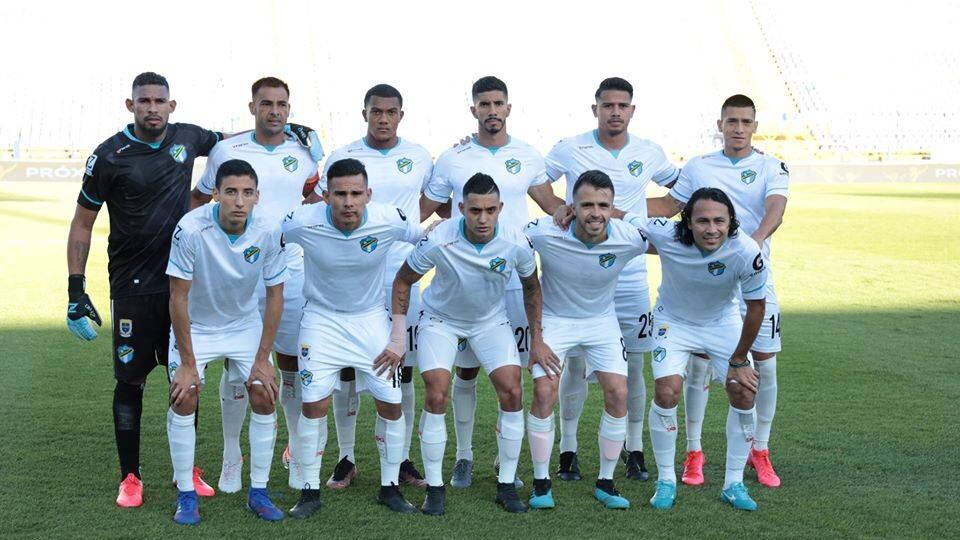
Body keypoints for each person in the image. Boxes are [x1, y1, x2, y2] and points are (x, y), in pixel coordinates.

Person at [66, 72, 222, 507]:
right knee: (130, 380)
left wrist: (288, 132)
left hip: (182, 283)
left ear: (172, 105)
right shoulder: (108, 156)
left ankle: (185, 470)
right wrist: (76, 289)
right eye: (144, 100)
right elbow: (82, 223)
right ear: (130, 105)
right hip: (132, 287)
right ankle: (130, 477)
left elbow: (236, 142)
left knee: (186, 377)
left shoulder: (189, 137)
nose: (152, 108)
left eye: (159, 101)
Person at [419, 76, 563, 488]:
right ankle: (463, 456)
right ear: (474, 110)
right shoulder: (453, 157)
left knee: (509, 376)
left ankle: (504, 462)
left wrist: (587, 214)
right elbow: (426, 209)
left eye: (499, 103)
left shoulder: (527, 154)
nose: (492, 110)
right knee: (463, 374)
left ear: (509, 108)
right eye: (485, 104)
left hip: (514, 281)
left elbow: (550, 204)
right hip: (465, 283)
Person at [647, 94, 788, 488]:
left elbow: (776, 208)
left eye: (746, 122)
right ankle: (694, 451)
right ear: (720, 125)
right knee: (697, 366)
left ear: (755, 126)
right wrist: (607, 207)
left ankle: (760, 449)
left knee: (762, 366)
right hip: (706, 279)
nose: (738, 128)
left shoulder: (771, 166)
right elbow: (669, 206)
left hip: (751, 273)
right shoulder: (699, 166)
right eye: (732, 121)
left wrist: (752, 244)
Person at [545, 77, 680, 482]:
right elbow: (534, 181)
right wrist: (559, 209)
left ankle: (633, 448)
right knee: (573, 362)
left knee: (633, 364)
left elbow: (680, 193)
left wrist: (631, 215)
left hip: (630, 273)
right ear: (596, 109)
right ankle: (568, 448)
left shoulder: (649, 151)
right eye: (608, 105)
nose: (615, 112)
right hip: (580, 272)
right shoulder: (570, 147)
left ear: (632, 110)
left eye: (623, 105)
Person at [190, 76, 320, 493]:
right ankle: (232, 456)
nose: (275, 111)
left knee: (291, 363)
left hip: (291, 269)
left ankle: (296, 452)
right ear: (252, 107)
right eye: (266, 104)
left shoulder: (305, 152)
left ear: (289, 108)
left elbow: (316, 200)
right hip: (238, 274)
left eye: (282, 104)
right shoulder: (227, 151)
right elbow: (198, 200)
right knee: (237, 365)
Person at [391, 173, 546, 515]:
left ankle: (506, 484)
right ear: (461, 208)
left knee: (512, 390)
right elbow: (402, 280)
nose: (483, 218)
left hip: (490, 321)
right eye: (475, 210)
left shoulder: (516, 242)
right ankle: (435, 489)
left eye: (490, 210)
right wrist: (398, 337)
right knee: (436, 393)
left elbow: (532, 287)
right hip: (440, 320)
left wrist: (537, 339)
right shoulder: (438, 239)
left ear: (500, 208)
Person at [281, 158, 425, 518]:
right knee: (313, 405)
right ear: (326, 196)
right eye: (340, 194)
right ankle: (309, 492)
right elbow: (266, 238)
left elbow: (427, 239)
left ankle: (390, 488)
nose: (348, 202)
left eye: (356, 194)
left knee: (391, 403)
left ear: (368, 194)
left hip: (371, 320)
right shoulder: (302, 221)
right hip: (321, 321)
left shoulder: (389, 219)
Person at [309, 84, 432, 489]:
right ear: (364, 114)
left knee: (401, 368)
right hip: (353, 277)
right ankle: (345, 458)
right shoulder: (343, 156)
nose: (383, 118)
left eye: (391, 112)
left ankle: (401, 458)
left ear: (401, 115)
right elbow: (319, 205)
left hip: (403, 275)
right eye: (376, 111)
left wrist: (409, 231)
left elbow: (436, 201)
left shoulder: (419, 156)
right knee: (345, 369)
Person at [166, 159, 287, 524]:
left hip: (243, 325)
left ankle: (259, 492)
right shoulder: (190, 229)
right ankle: (186, 495)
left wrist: (263, 359)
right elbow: (177, 297)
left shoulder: (268, 229)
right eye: (231, 192)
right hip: (197, 327)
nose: (239, 201)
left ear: (257, 196)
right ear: (216, 194)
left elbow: (275, 295)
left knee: (264, 393)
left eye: (247, 193)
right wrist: (188, 365)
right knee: (184, 396)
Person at [523, 171, 650, 510]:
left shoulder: (628, 237)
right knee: (544, 390)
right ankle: (541, 482)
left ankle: (606, 482)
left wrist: (625, 216)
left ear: (613, 208)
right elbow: (504, 239)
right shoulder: (545, 231)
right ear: (572, 206)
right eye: (587, 205)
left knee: (619, 392)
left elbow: (671, 240)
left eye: (603, 206)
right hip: (555, 320)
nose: (596, 213)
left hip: (601, 321)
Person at [637, 187, 767, 511]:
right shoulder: (665, 234)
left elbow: (756, 308)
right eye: (703, 221)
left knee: (744, 391)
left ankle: (733, 483)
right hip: (673, 322)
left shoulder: (746, 251)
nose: (711, 229)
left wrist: (739, 359)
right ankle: (666, 480)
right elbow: (622, 216)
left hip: (722, 323)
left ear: (731, 221)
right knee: (667, 391)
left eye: (719, 221)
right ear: (688, 222)